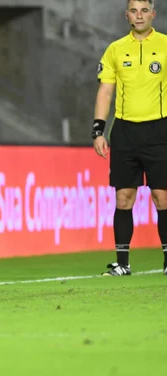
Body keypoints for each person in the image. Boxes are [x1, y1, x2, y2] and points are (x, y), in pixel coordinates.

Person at [93, 0, 167, 276]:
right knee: (124, 197)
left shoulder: (165, 45)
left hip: (159, 129)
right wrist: (98, 130)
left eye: (144, 10)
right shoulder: (115, 49)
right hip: (124, 131)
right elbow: (105, 91)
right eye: (134, 11)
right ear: (127, 16)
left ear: (153, 14)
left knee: (162, 197)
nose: (139, 15)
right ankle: (122, 264)